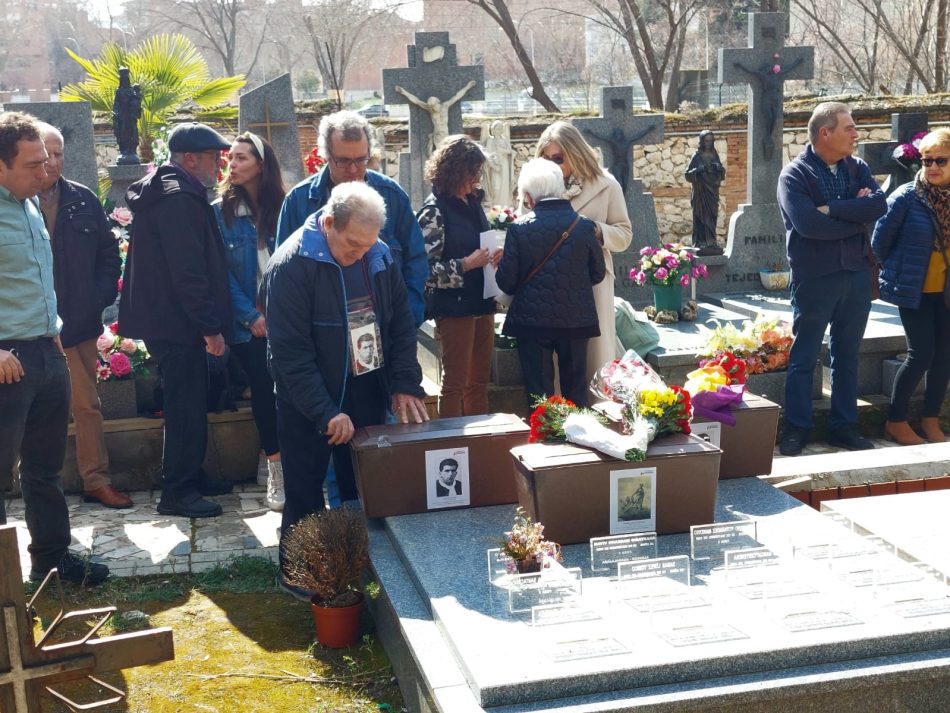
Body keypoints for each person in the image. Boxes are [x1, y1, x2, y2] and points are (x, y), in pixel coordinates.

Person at [263, 181, 429, 597]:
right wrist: (324, 411)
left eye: (367, 246)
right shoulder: (292, 263)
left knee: (361, 486)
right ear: (329, 222)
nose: (360, 254)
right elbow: (289, 354)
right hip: (308, 399)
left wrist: (405, 383)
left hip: (365, 384)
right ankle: (300, 577)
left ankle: (357, 568)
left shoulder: (378, 254)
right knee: (304, 491)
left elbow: (399, 325)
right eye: (352, 245)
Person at [0, 111, 109, 585]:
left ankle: (52, 561)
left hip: (46, 352)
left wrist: (55, 332)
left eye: (46, 162)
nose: (45, 172)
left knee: (45, 469)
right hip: (6, 360)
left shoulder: (28, 204)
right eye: (32, 165)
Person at [119, 122, 235, 518]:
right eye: (213, 158)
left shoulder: (175, 191)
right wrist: (209, 327)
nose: (219, 166)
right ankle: (178, 492)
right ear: (189, 159)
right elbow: (188, 272)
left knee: (190, 401)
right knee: (185, 405)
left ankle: (189, 475)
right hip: (180, 323)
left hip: (172, 320)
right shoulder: (178, 198)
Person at [776, 102, 886, 456]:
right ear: (826, 133)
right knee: (805, 356)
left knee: (847, 355)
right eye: (849, 128)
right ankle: (797, 429)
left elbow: (879, 206)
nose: (856, 134)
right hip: (814, 278)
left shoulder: (858, 168)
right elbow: (808, 226)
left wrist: (834, 209)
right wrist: (855, 215)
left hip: (855, 275)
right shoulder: (794, 175)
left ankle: (844, 427)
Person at [35, 122, 131, 509]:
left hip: (78, 324)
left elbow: (109, 257)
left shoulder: (82, 198)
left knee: (87, 406)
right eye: (46, 154)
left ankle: (96, 480)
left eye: (59, 154)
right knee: (32, 412)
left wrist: (95, 300)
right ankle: (38, 489)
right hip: (29, 330)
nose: (54, 162)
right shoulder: (13, 202)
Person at [276, 110, 426, 327]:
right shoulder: (298, 202)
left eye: (361, 159)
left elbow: (416, 260)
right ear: (326, 155)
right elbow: (285, 274)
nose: (354, 169)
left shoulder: (392, 195)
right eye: (343, 161)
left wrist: (408, 318)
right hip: (323, 329)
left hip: (387, 326)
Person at [213, 132, 286, 511]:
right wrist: (250, 316)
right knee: (263, 385)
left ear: (261, 164)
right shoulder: (220, 213)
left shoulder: (285, 207)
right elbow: (221, 275)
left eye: (242, 158)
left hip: (285, 315)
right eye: (231, 158)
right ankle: (276, 468)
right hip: (248, 321)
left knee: (292, 386)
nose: (233, 164)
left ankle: (273, 452)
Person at [496, 158, 605, 407]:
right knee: (576, 391)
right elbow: (597, 274)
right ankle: (579, 441)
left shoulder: (518, 229)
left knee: (540, 395)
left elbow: (507, 283)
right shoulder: (583, 226)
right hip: (577, 320)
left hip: (532, 323)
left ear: (528, 195)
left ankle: (546, 440)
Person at [536, 121, 632, 382]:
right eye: (546, 159)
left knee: (595, 354)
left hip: (593, 282)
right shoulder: (537, 187)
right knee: (554, 362)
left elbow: (624, 235)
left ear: (575, 151)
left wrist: (595, 230)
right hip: (550, 284)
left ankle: (600, 410)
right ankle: (558, 415)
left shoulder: (607, 185)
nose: (553, 166)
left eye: (558, 158)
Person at [872, 127, 950, 445]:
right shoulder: (906, 196)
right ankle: (896, 420)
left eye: (941, 161)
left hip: (946, 292)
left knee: (945, 355)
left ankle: (930, 420)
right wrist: (900, 273)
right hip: (914, 292)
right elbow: (879, 242)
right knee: (921, 354)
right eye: (927, 160)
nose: (932, 167)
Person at [417, 135, 499, 417]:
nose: (477, 178)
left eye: (478, 172)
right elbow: (424, 272)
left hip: (482, 304)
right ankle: (450, 446)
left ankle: (482, 444)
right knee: (454, 385)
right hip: (454, 311)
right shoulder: (433, 212)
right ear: (454, 170)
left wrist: (493, 256)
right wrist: (465, 264)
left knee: (478, 384)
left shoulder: (473, 202)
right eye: (472, 171)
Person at [394, 81, 476, 156]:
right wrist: (403, 92)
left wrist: (468, 87)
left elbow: (457, 96)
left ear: (438, 102)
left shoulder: (445, 106)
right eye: (431, 107)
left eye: (434, 106)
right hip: (437, 136)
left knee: (448, 153)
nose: (433, 109)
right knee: (440, 155)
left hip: (445, 134)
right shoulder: (430, 109)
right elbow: (416, 100)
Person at [685, 129, 726, 255]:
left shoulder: (715, 155)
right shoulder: (696, 156)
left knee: (712, 216)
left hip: (712, 191)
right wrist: (698, 170)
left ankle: (711, 241)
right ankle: (701, 242)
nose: (709, 143)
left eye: (711, 141)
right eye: (706, 141)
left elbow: (722, 175)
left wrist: (719, 169)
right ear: (702, 142)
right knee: (701, 216)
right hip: (700, 192)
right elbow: (687, 175)